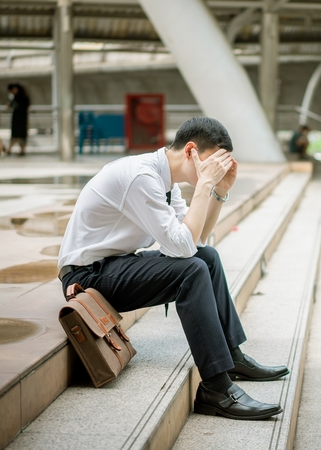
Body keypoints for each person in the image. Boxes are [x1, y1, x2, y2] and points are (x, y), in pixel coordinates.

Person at [58, 117, 288, 420]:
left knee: (207, 257)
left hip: (116, 263)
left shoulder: (166, 181)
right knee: (192, 270)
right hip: (87, 276)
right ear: (191, 151)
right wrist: (205, 184)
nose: (216, 169)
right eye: (212, 163)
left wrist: (218, 190)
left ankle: (231, 358)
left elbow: (195, 240)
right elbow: (182, 249)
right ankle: (217, 389)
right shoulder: (141, 177)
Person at [7, 84, 30, 156]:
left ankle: (20, 149)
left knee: (19, 134)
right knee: (18, 134)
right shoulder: (23, 97)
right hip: (19, 118)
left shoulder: (21, 98)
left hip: (20, 118)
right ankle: (18, 149)